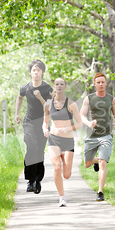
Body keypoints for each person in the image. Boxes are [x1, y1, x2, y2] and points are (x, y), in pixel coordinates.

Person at [80, 72, 115, 201]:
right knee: (87, 164)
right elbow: (81, 115)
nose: (101, 84)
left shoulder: (111, 99)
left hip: (105, 135)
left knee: (104, 163)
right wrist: (89, 123)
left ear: (106, 83)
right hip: (91, 136)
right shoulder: (89, 98)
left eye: (103, 82)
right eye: (98, 82)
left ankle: (100, 192)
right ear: (95, 84)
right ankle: (95, 160)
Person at [15, 60, 53, 194]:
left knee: (39, 151)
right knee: (31, 147)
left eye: (38, 70)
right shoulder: (25, 87)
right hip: (29, 122)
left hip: (43, 123)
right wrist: (16, 114)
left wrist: (40, 97)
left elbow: (49, 107)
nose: (35, 72)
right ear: (30, 73)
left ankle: (38, 179)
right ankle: (30, 181)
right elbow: (19, 98)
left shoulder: (47, 89)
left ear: (42, 72)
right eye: (33, 70)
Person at [43, 78, 82, 207]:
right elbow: (45, 121)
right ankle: (62, 197)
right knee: (57, 168)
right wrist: (45, 129)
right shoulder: (48, 104)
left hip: (67, 141)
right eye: (57, 84)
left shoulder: (71, 104)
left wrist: (68, 128)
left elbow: (79, 123)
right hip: (53, 139)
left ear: (65, 86)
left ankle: (63, 193)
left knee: (66, 174)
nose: (59, 86)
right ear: (54, 87)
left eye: (62, 84)